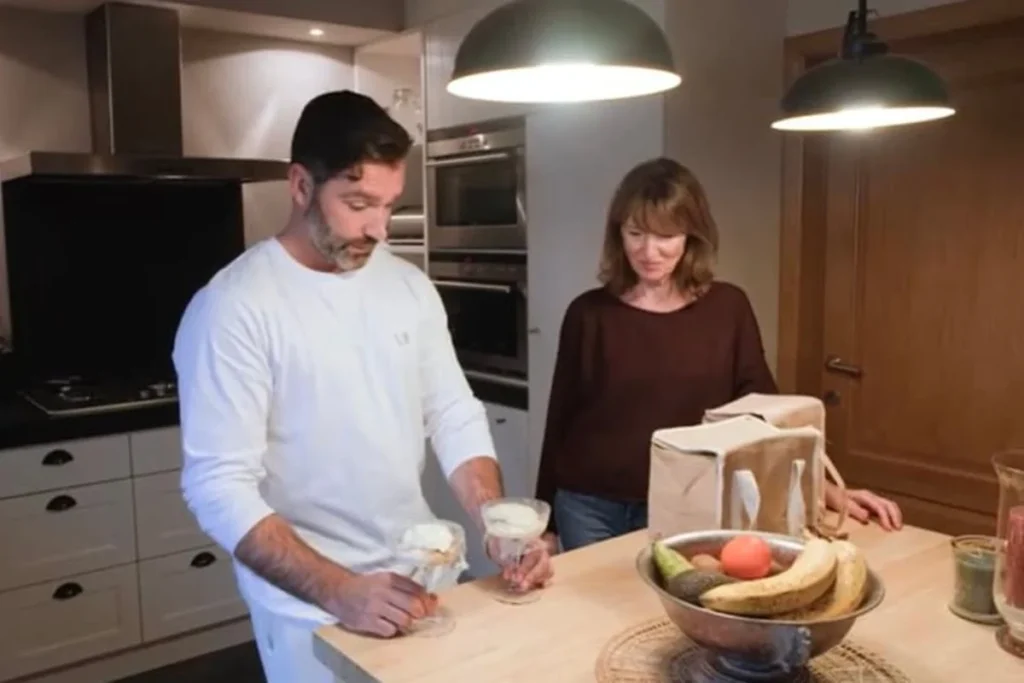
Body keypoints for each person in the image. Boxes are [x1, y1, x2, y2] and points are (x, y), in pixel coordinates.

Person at [172, 90, 553, 683]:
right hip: (312, 613)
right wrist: (341, 590)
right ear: (300, 185)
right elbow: (217, 485)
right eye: (358, 203)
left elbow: (452, 412)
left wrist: (496, 524)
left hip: (424, 580)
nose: (379, 227)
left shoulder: (407, 288)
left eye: (389, 204)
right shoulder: (234, 308)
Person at [535, 157, 903, 552]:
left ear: (692, 235)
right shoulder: (588, 313)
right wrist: (545, 524)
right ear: (618, 234)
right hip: (589, 506)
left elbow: (765, 414)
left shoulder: (728, 308)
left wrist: (825, 488)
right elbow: (560, 418)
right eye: (635, 233)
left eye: (666, 236)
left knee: (674, 609)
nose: (648, 251)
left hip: (690, 503)